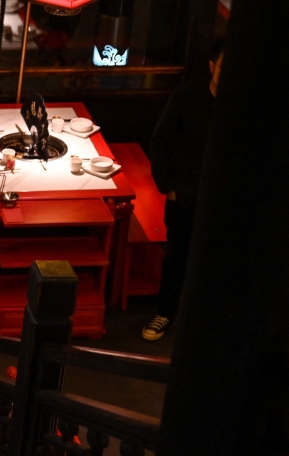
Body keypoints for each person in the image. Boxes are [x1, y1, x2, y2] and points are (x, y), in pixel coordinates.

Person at [143, 36, 224, 341]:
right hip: (186, 193)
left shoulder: (244, 103)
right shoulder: (188, 95)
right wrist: (168, 187)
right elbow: (160, 140)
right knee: (176, 255)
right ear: (212, 65)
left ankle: (205, 322)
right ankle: (165, 311)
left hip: (224, 198)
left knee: (217, 258)